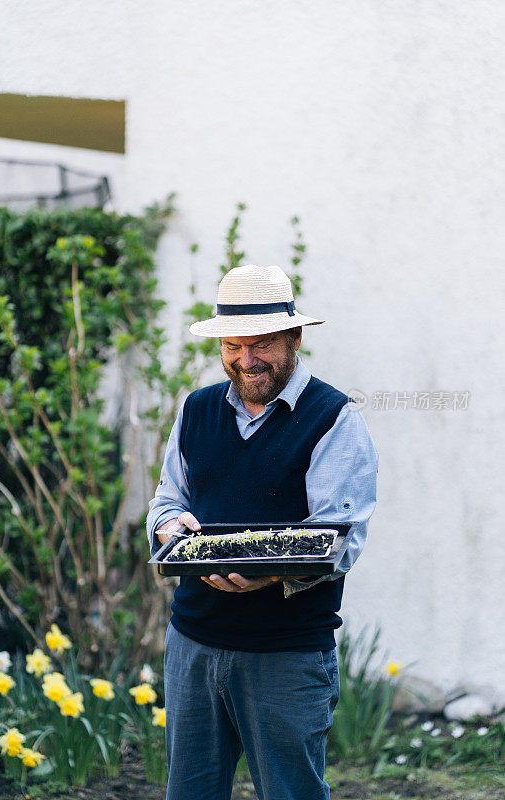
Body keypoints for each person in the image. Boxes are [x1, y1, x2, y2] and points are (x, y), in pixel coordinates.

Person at [147, 264, 378, 800]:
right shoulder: (196, 409)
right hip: (193, 644)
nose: (245, 361)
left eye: (261, 345)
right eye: (233, 346)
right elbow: (166, 501)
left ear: (294, 337)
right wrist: (168, 527)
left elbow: (338, 540)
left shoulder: (333, 417)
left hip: (286, 653)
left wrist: (266, 571)